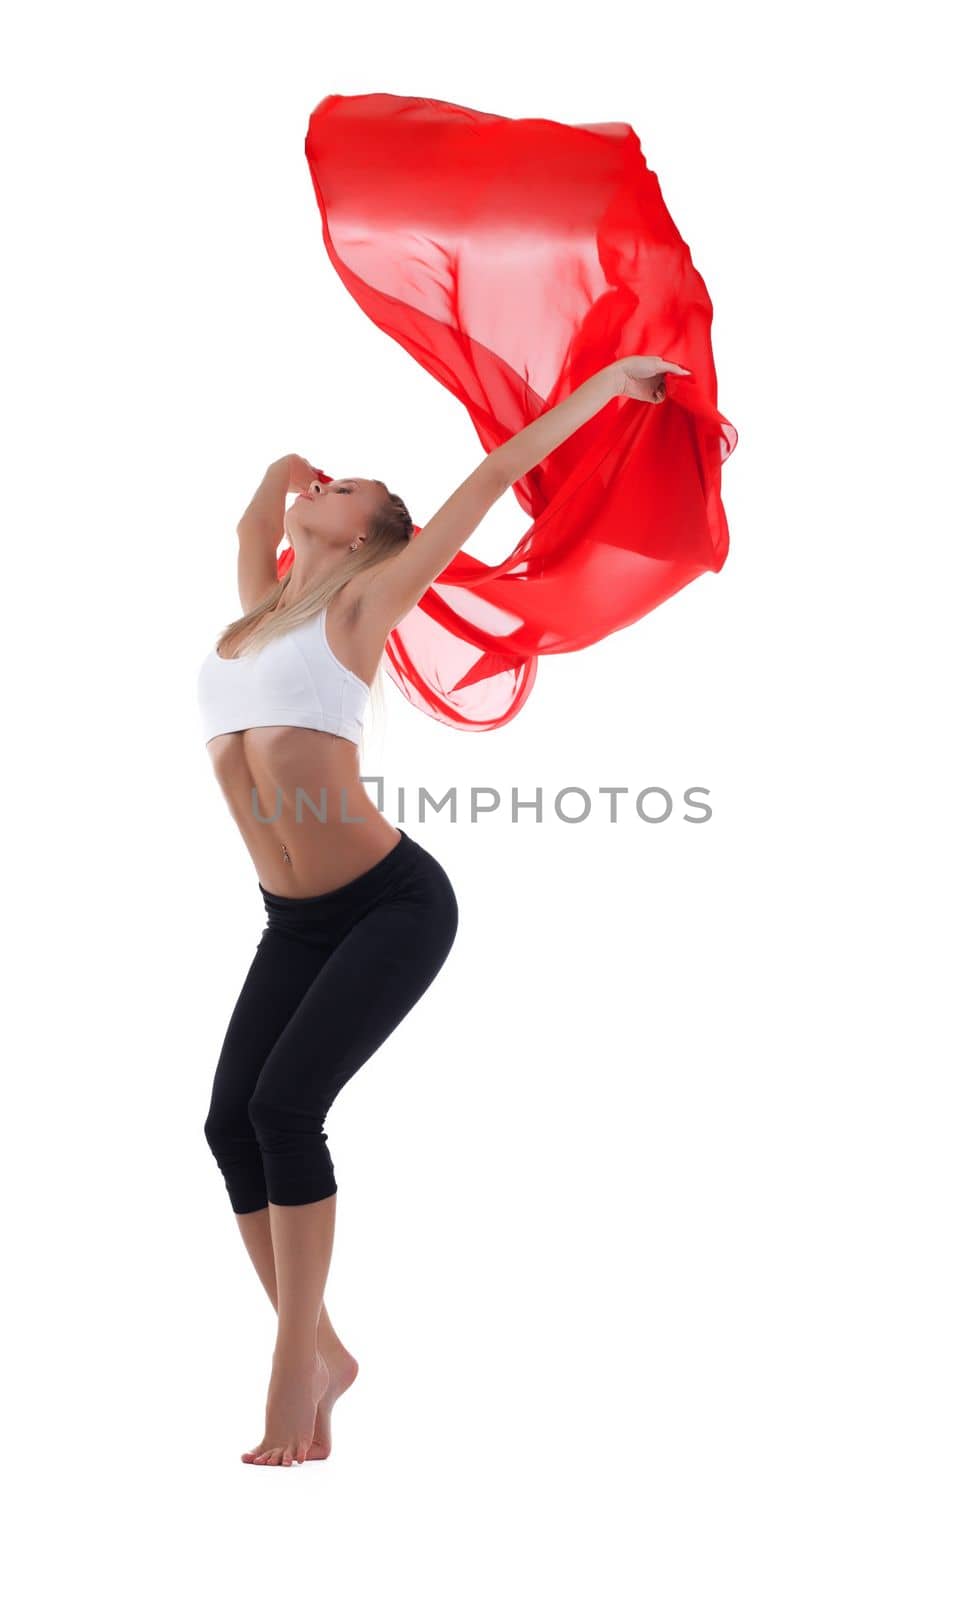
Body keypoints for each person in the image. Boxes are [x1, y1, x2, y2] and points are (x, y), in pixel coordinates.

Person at [197, 352, 686, 1467]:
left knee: (282, 1112)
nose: (330, 487)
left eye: (349, 485)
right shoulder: (260, 613)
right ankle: (322, 1349)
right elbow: (247, 526)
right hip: (293, 920)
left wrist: (614, 382)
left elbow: (497, 466)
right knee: (228, 1123)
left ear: (374, 533)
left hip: (390, 907)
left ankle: (291, 1366)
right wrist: (281, 468)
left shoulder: (368, 598)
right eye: (330, 482)